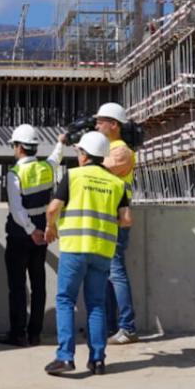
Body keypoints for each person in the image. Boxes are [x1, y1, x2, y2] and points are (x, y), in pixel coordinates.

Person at [43, 131, 132, 376]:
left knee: (65, 300)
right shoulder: (116, 183)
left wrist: (51, 228)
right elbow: (126, 220)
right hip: (102, 251)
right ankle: (97, 360)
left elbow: (53, 209)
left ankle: (65, 357)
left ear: (84, 155)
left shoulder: (73, 176)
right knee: (96, 304)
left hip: (74, 249)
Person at [50, 103, 139, 344]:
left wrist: (84, 151)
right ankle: (108, 326)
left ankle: (127, 326)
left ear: (114, 125)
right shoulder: (108, 148)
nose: (96, 124)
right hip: (102, 218)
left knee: (117, 273)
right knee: (107, 275)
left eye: (101, 121)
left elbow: (93, 169)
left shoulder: (122, 151)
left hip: (114, 220)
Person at [0, 124, 52, 347]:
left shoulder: (15, 173)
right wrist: (59, 143)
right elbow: (56, 158)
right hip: (41, 232)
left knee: (18, 286)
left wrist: (30, 231)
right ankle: (35, 333)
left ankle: (18, 334)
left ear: (19, 147)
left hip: (22, 235)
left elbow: (17, 209)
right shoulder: (46, 168)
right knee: (39, 284)